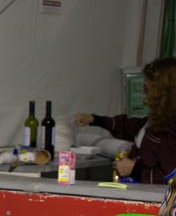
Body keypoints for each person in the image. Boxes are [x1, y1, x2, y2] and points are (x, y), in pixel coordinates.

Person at [74, 56, 176, 184]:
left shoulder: (171, 127)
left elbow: (170, 178)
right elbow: (131, 126)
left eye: (147, 90)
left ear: (163, 90)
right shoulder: (158, 119)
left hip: (155, 196)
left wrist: (134, 169)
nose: (146, 96)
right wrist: (95, 119)